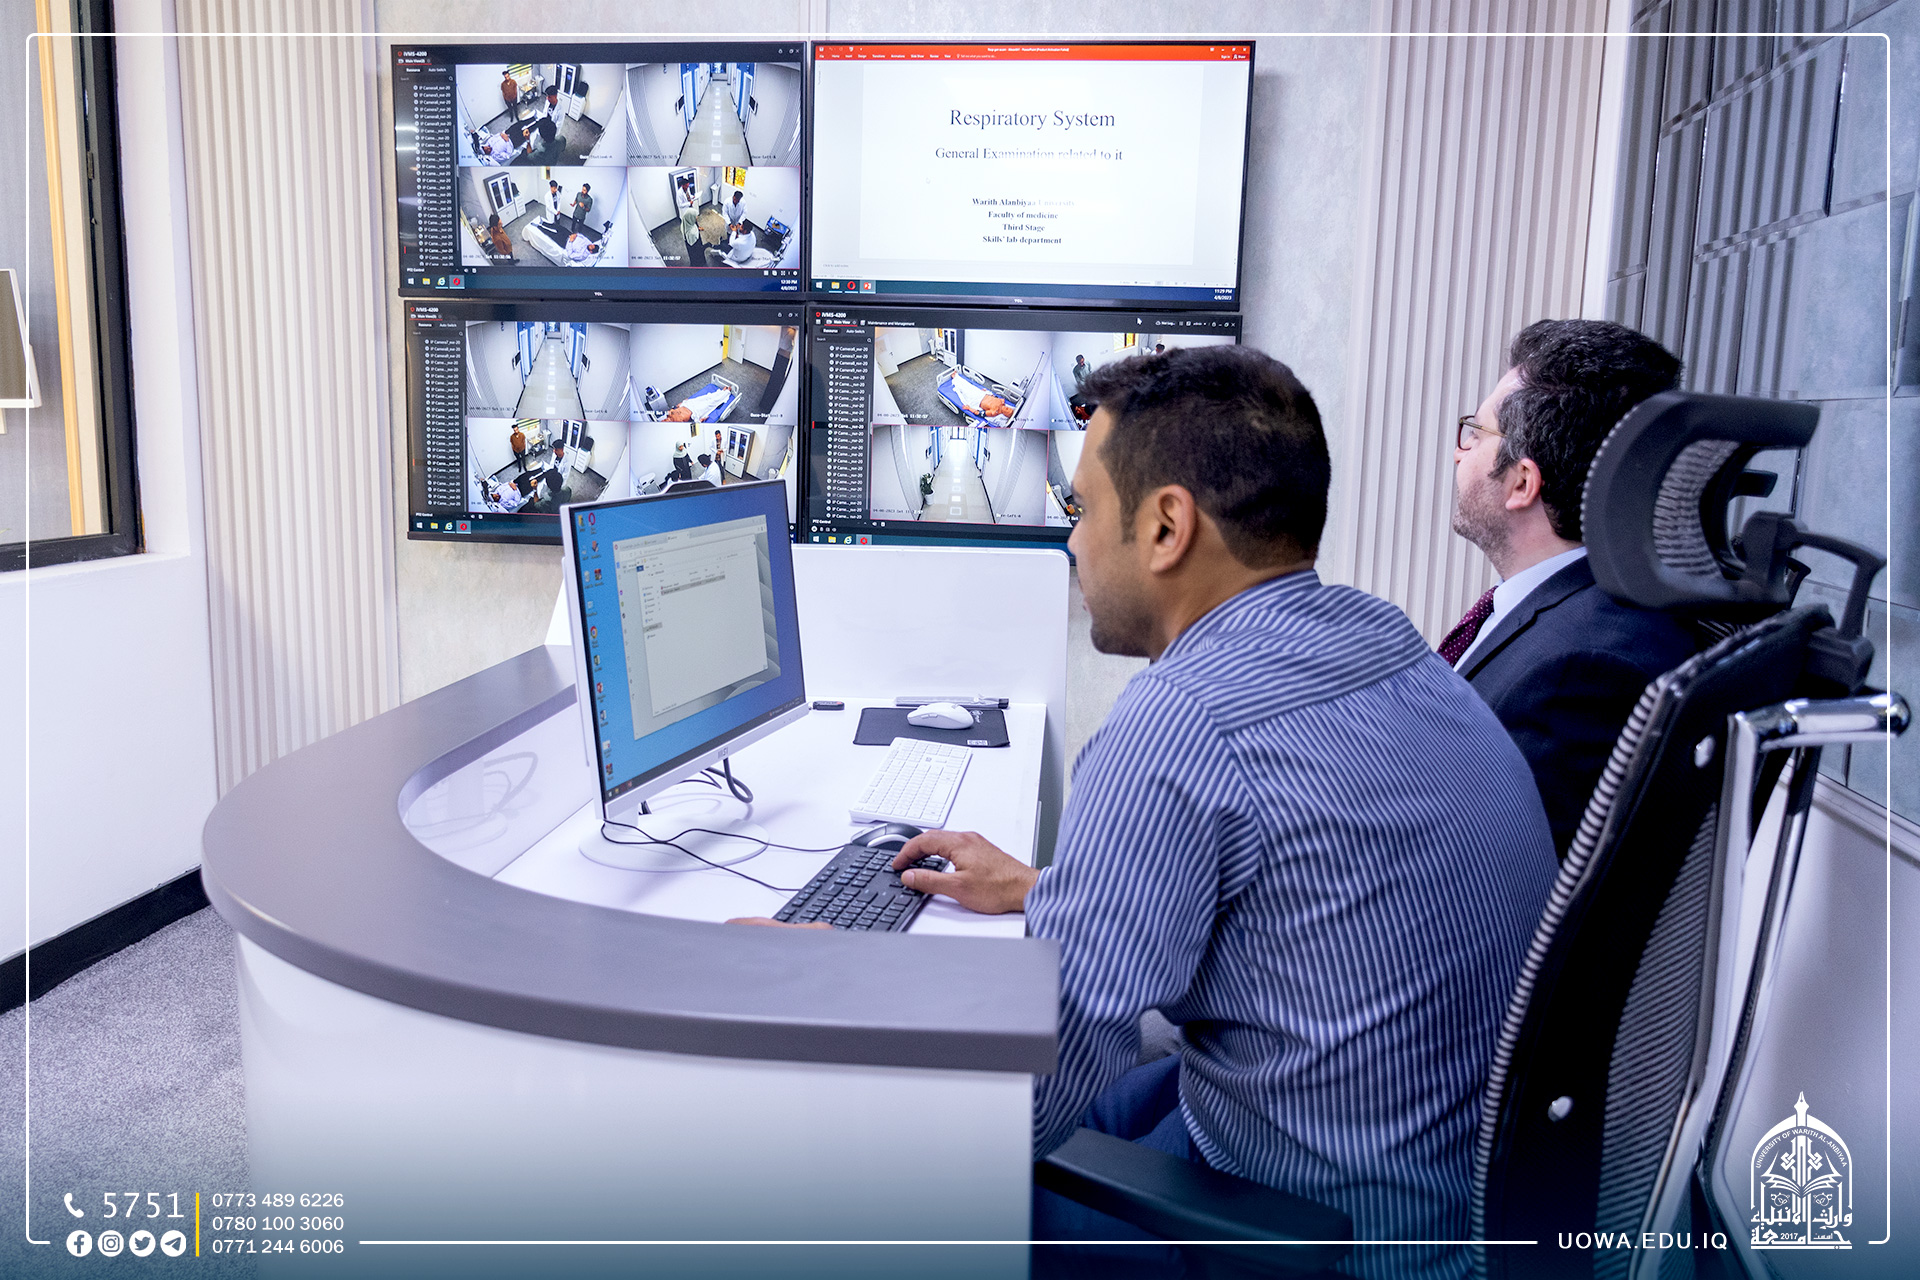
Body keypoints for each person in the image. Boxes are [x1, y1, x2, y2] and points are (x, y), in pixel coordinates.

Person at [734, 345, 1555, 1277]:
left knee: (836, 1202)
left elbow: (1021, 1103)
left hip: (1303, 1236)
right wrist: (1052, 889)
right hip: (1428, 1188)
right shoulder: (1387, 644)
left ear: (1167, 526)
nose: (1071, 543)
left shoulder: (1183, 724)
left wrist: (839, 984)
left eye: (1083, 510)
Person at [1445, 319, 1695, 857]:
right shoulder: (1572, 610)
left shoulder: (1580, 672)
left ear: (1522, 483)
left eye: (1476, 432)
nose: (1461, 452)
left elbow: (1491, 872)